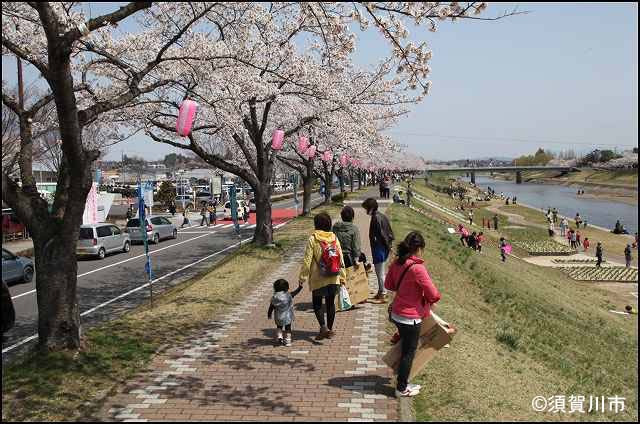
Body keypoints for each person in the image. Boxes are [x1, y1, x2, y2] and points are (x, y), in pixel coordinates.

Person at [384, 231, 441, 398]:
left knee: (405, 348)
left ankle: (403, 379)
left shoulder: (398, 263)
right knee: (409, 352)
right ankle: (401, 388)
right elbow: (434, 295)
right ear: (419, 248)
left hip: (397, 313)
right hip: (410, 318)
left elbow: (389, 285)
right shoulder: (418, 268)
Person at [299, 212, 347, 340]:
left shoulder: (313, 239)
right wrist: (343, 277)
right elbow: (340, 258)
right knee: (330, 304)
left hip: (318, 278)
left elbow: (307, 260)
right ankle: (329, 330)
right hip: (334, 276)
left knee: (317, 303)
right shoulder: (334, 238)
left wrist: (302, 277)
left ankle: (323, 327)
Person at [362, 198, 394, 301]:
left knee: (380, 273)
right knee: (379, 272)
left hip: (379, 248)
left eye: (366, 208)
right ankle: (380, 291)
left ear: (370, 208)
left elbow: (382, 234)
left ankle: (383, 293)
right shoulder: (381, 215)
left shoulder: (376, 218)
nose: (365, 210)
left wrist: (388, 246)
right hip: (382, 248)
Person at [268, 279, 303, 347]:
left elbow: (271, 307)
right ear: (286, 287)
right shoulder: (288, 295)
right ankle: (288, 341)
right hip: (287, 316)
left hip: (278, 316)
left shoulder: (274, 297)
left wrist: (269, 314)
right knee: (288, 328)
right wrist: (300, 287)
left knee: (279, 327)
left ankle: (280, 337)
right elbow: (295, 293)